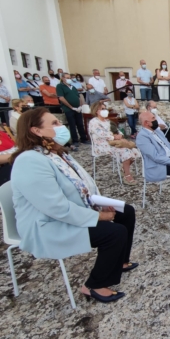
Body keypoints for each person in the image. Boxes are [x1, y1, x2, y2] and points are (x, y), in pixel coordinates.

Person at [11, 108, 138, 303]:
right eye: (53, 123)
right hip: (47, 224)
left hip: (69, 212)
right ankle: (93, 285)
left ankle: (119, 261)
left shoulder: (54, 153)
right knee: (115, 232)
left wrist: (99, 205)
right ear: (36, 131)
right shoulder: (29, 161)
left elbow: (82, 187)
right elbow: (56, 207)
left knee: (125, 211)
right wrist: (98, 216)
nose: (60, 126)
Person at [88, 101, 139, 185]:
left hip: (114, 142)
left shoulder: (108, 121)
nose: (105, 111)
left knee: (134, 151)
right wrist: (114, 137)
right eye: (102, 109)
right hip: (102, 145)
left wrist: (119, 135)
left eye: (105, 109)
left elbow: (118, 131)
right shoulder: (94, 122)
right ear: (96, 111)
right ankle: (127, 175)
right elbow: (101, 134)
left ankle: (124, 168)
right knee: (125, 151)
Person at [56, 72, 89, 149]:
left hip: (78, 108)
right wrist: (71, 107)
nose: (69, 79)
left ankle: (83, 138)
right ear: (63, 78)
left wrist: (80, 106)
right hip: (68, 109)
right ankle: (75, 140)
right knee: (72, 125)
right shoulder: (60, 86)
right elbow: (61, 98)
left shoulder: (73, 87)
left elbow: (78, 97)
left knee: (80, 124)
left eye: (69, 78)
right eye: (67, 78)